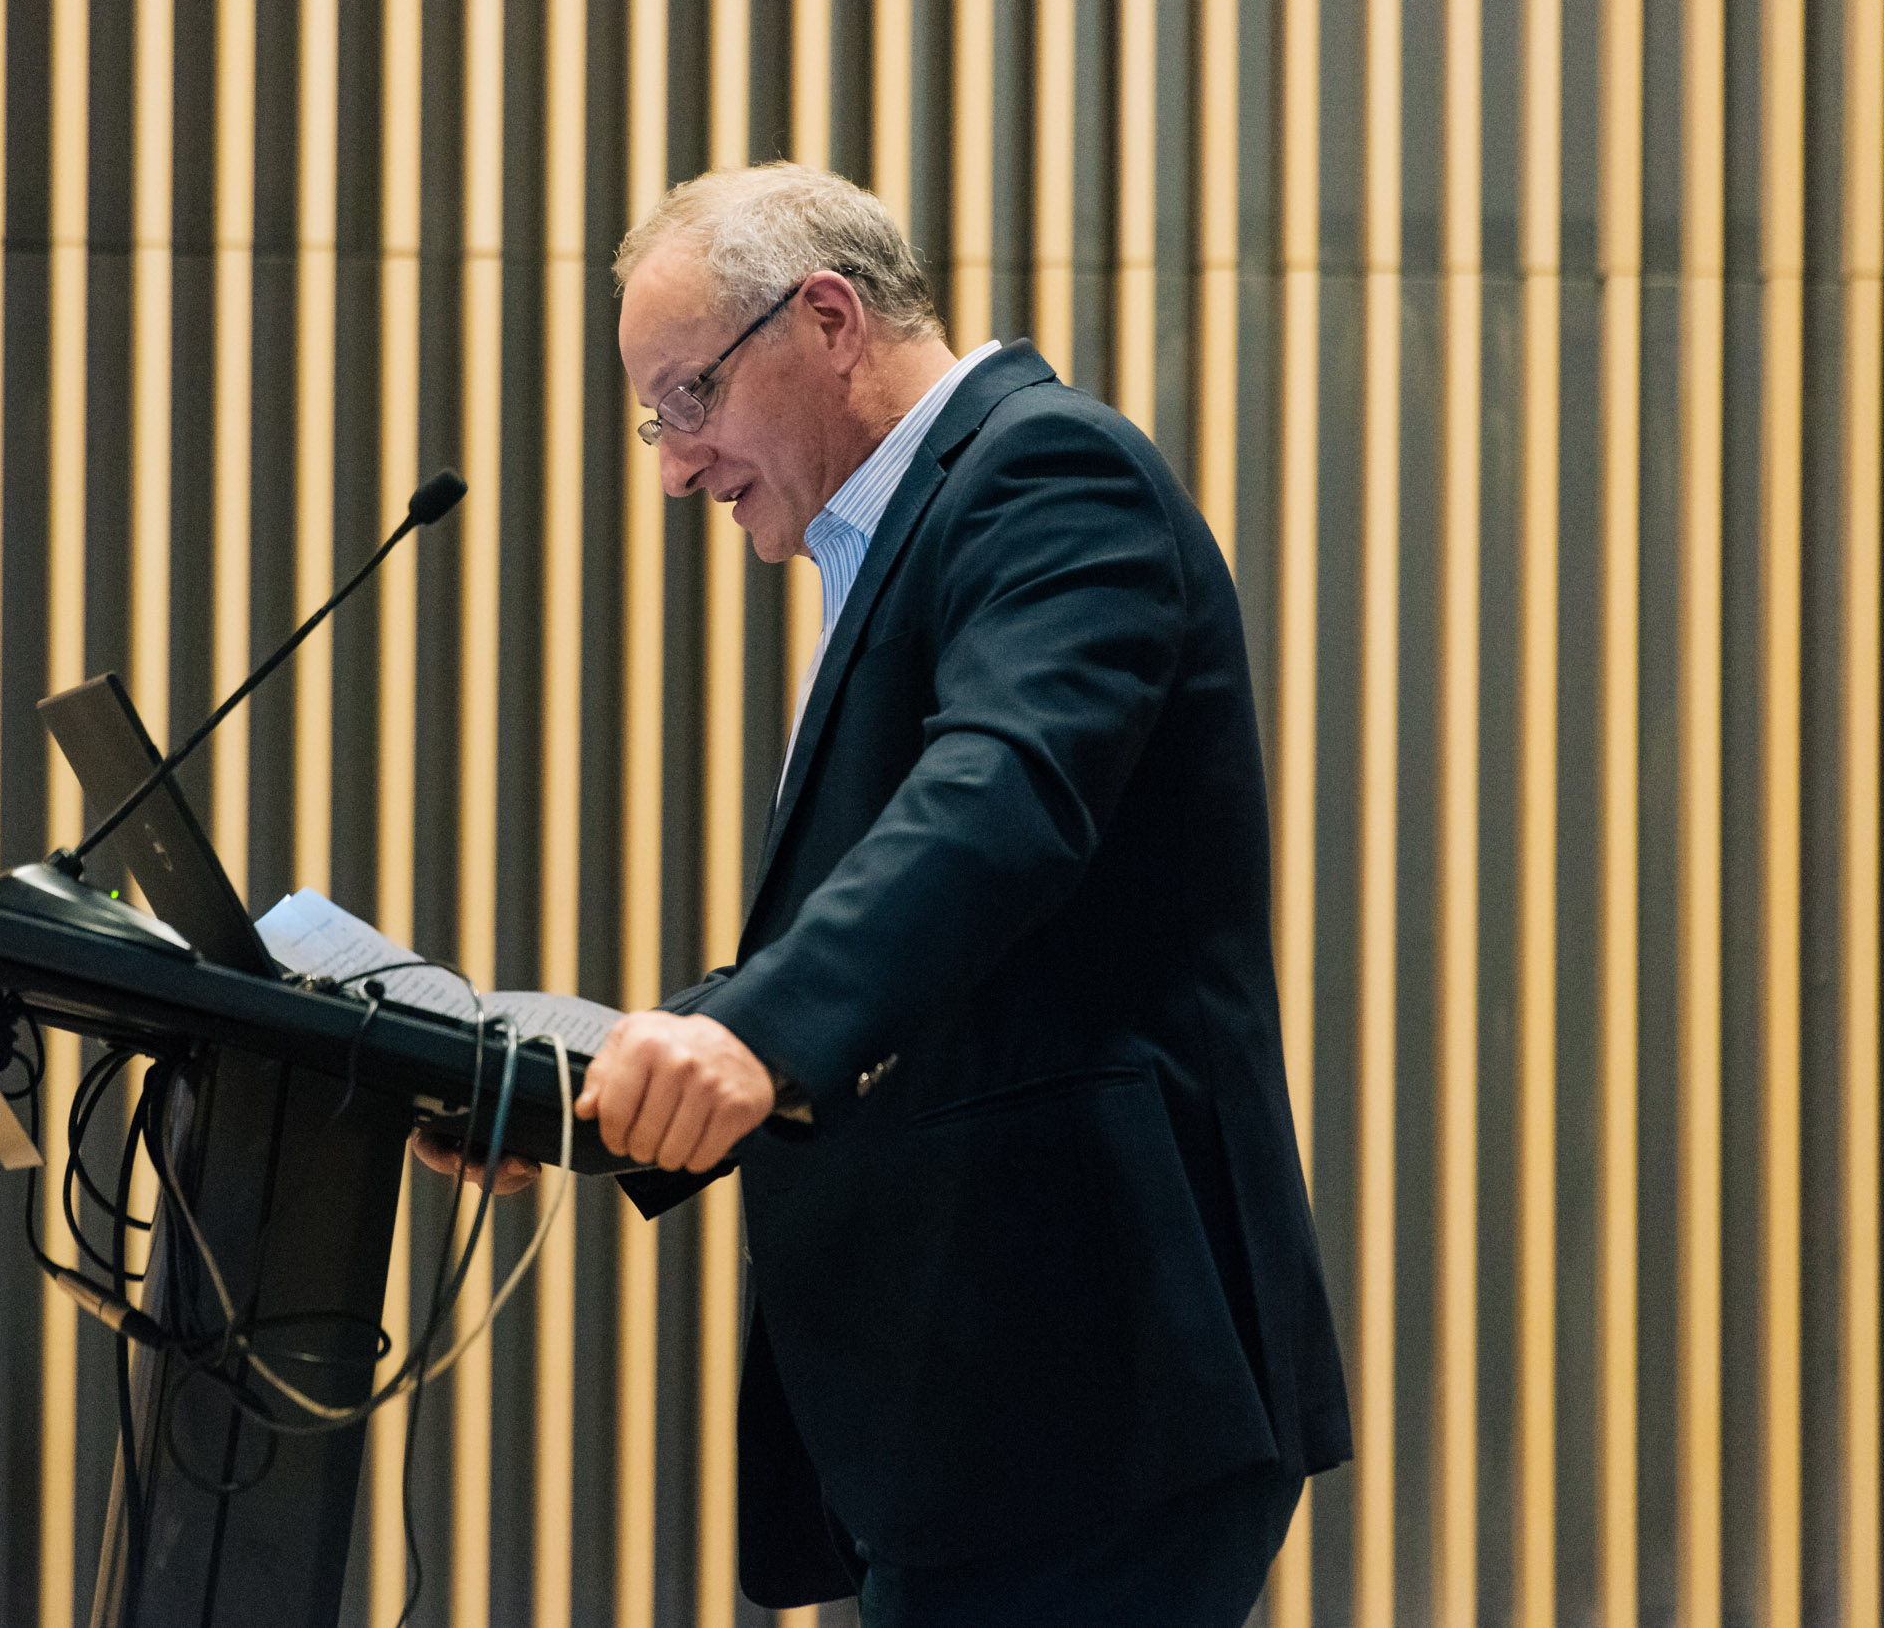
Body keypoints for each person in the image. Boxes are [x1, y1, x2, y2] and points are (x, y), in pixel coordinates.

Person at [415, 163, 1348, 1625]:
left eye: (688, 399)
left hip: (1095, 1383)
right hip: (978, 1408)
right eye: (659, 419)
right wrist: (561, 1099)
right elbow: (902, 938)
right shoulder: (900, 531)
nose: (675, 468)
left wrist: (751, 1037)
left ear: (829, 319)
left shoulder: (1049, 472)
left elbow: (1005, 797)